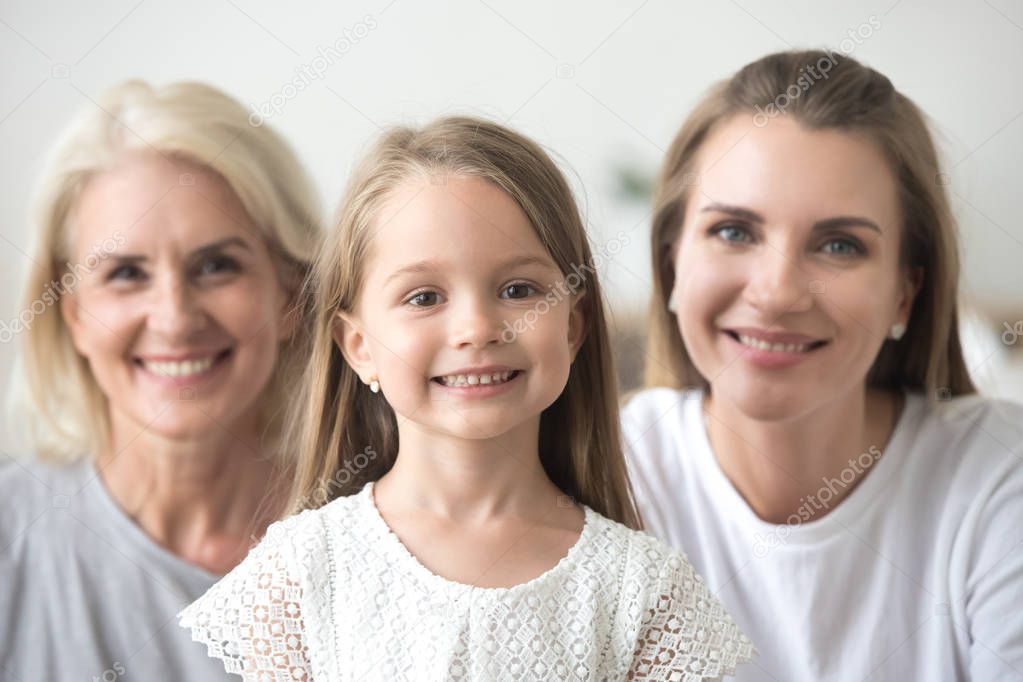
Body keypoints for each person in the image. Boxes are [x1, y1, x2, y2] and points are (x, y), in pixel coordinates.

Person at [179, 116, 755, 680]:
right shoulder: (301, 574)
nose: (477, 328)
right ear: (359, 347)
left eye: (517, 290)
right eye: (425, 296)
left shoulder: (644, 594)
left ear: (573, 328)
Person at [623, 49, 1023, 680]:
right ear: (673, 262)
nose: (778, 291)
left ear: (904, 293)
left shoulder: (1001, 480)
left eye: (839, 245)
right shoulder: (603, 476)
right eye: (733, 231)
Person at [0, 80, 321, 680]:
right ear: (71, 314)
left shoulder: (392, 537)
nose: (175, 319)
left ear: (288, 296)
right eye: (125, 273)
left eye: (216, 265)